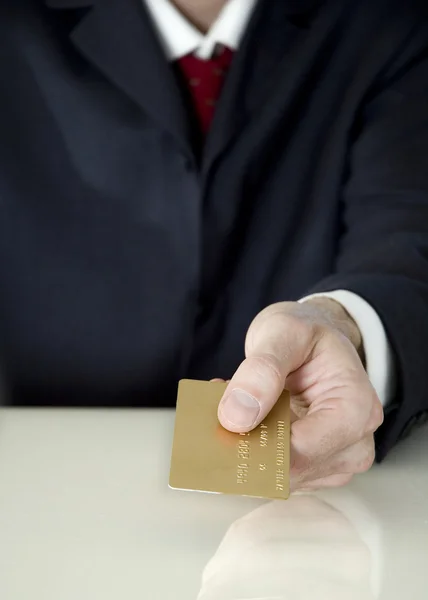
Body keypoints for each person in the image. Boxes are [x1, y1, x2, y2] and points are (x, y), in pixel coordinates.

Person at [1, 0, 428, 492]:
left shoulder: (389, 27)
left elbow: (408, 242)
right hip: (38, 493)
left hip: (316, 509)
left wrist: (345, 327)